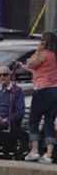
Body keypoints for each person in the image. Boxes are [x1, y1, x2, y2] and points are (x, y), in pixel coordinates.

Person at [23, 31, 57, 163]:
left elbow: (31, 63)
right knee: (49, 123)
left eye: (41, 40)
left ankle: (35, 150)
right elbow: (36, 69)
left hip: (42, 90)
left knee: (33, 121)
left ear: (45, 41)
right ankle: (49, 154)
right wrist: (24, 67)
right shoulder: (54, 55)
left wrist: (38, 50)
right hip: (55, 90)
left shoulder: (43, 54)